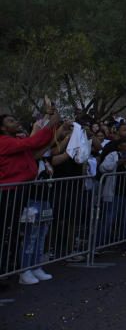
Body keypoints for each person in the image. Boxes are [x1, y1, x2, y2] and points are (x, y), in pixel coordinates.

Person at [0, 108, 60, 284]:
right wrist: (50, 123)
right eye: (11, 121)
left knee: (14, 232)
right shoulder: (4, 142)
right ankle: (7, 270)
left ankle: (12, 269)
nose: (16, 122)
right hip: (8, 192)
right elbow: (33, 142)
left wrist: (51, 123)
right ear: (2, 128)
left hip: (19, 191)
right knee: (7, 232)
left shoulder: (16, 139)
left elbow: (35, 143)